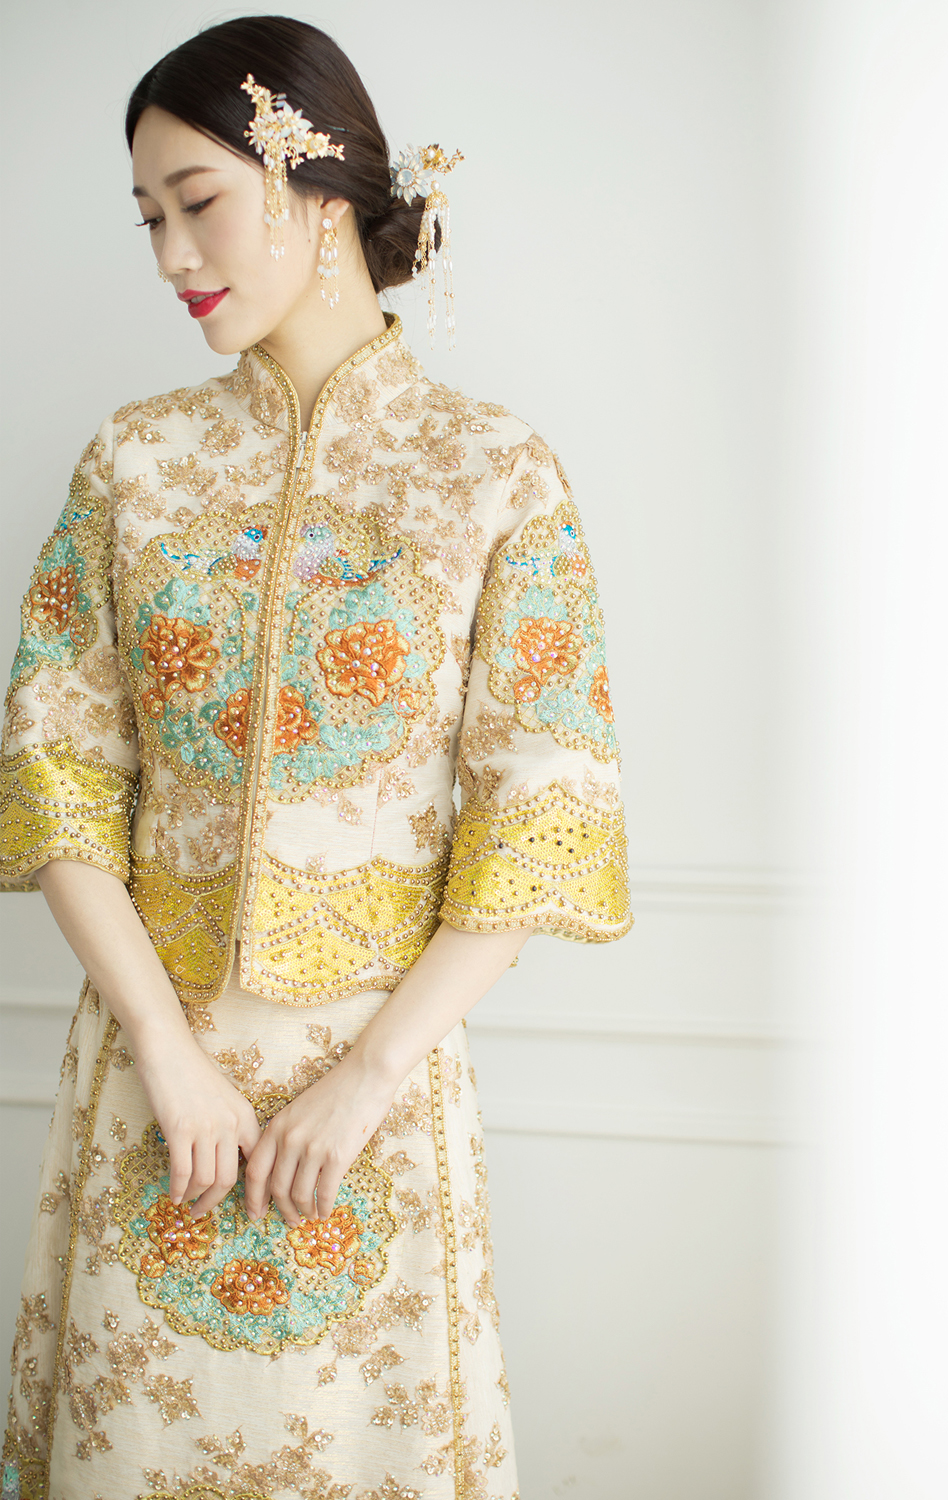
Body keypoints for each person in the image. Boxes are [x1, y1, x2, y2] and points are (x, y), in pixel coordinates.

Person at [0, 16, 631, 1500]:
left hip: (378, 1095)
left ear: (316, 189)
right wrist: (165, 1053)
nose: (171, 256)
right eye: (148, 218)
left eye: (197, 202)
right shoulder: (133, 465)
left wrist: (366, 1081)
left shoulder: (493, 472)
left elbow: (542, 811)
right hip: (153, 1083)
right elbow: (54, 772)